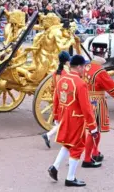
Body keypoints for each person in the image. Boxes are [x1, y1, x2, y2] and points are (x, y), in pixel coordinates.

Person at [47, 55, 98, 187]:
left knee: (67, 143)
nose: (84, 70)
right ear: (79, 67)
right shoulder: (80, 83)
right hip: (77, 119)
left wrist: (57, 116)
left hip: (65, 116)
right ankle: (70, 178)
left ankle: (55, 167)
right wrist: (93, 127)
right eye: (84, 67)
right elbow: (86, 108)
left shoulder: (62, 78)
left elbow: (56, 99)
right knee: (77, 147)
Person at [81, 57, 114, 168]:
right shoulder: (100, 72)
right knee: (94, 130)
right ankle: (87, 158)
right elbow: (112, 88)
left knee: (93, 130)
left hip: (86, 100)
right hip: (96, 102)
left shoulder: (85, 67)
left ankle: (95, 152)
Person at [41, 51, 71, 148]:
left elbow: (54, 86)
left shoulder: (55, 73)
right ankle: (49, 135)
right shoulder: (66, 73)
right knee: (64, 120)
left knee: (59, 120)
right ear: (67, 61)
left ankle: (60, 137)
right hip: (64, 99)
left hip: (56, 97)